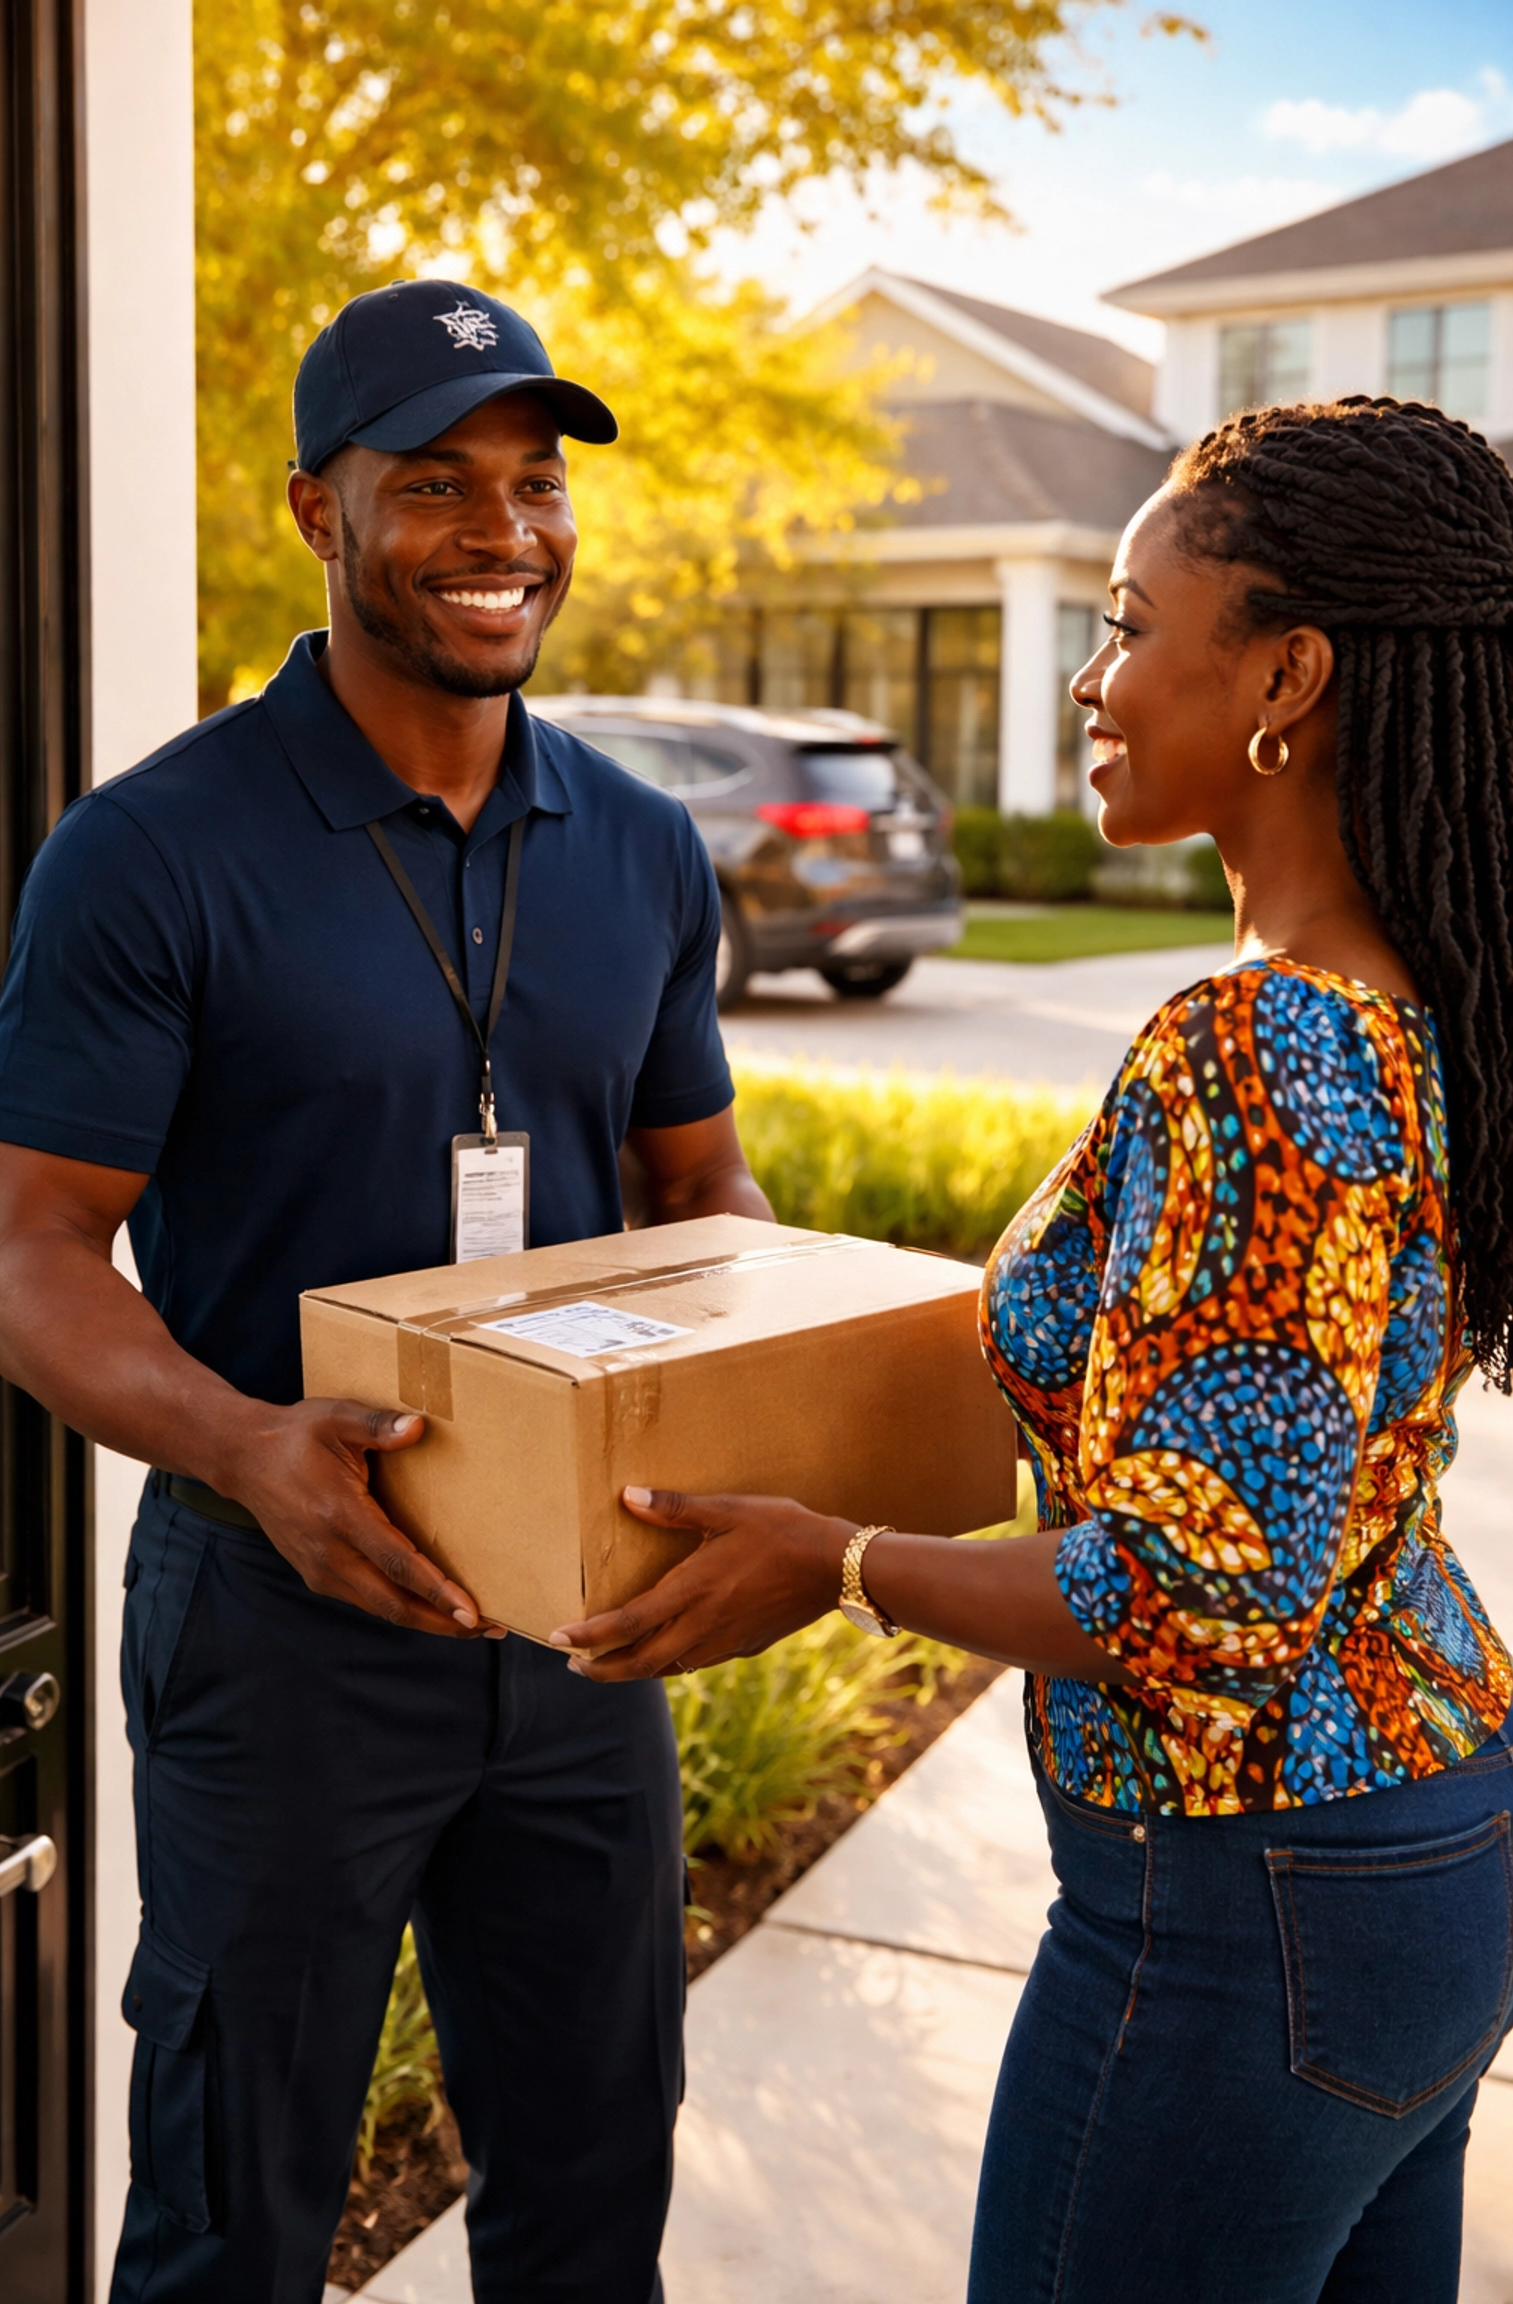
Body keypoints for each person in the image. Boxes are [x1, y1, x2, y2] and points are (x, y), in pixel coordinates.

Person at [550, 396, 1513, 2304]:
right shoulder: (1421, 1004)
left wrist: (827, 1565)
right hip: (1420, 1836)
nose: (1091, 677)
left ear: (1288, 676)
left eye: (1132, 624)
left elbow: (1196, 1591)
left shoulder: (1255, 1049)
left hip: (1241, 1899)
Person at [0, 280, 772, 2303]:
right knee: (234, 2218)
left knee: (593, 2196)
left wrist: (741, 1466)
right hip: (282, 1617)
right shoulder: (152, 853)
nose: (504, 527)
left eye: (533, 480)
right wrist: (248, 1444)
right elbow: (23, 1248)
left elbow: (704, 1195)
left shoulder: (646, 851)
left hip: (581, 1630)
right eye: (436, 482)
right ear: (317, 517)